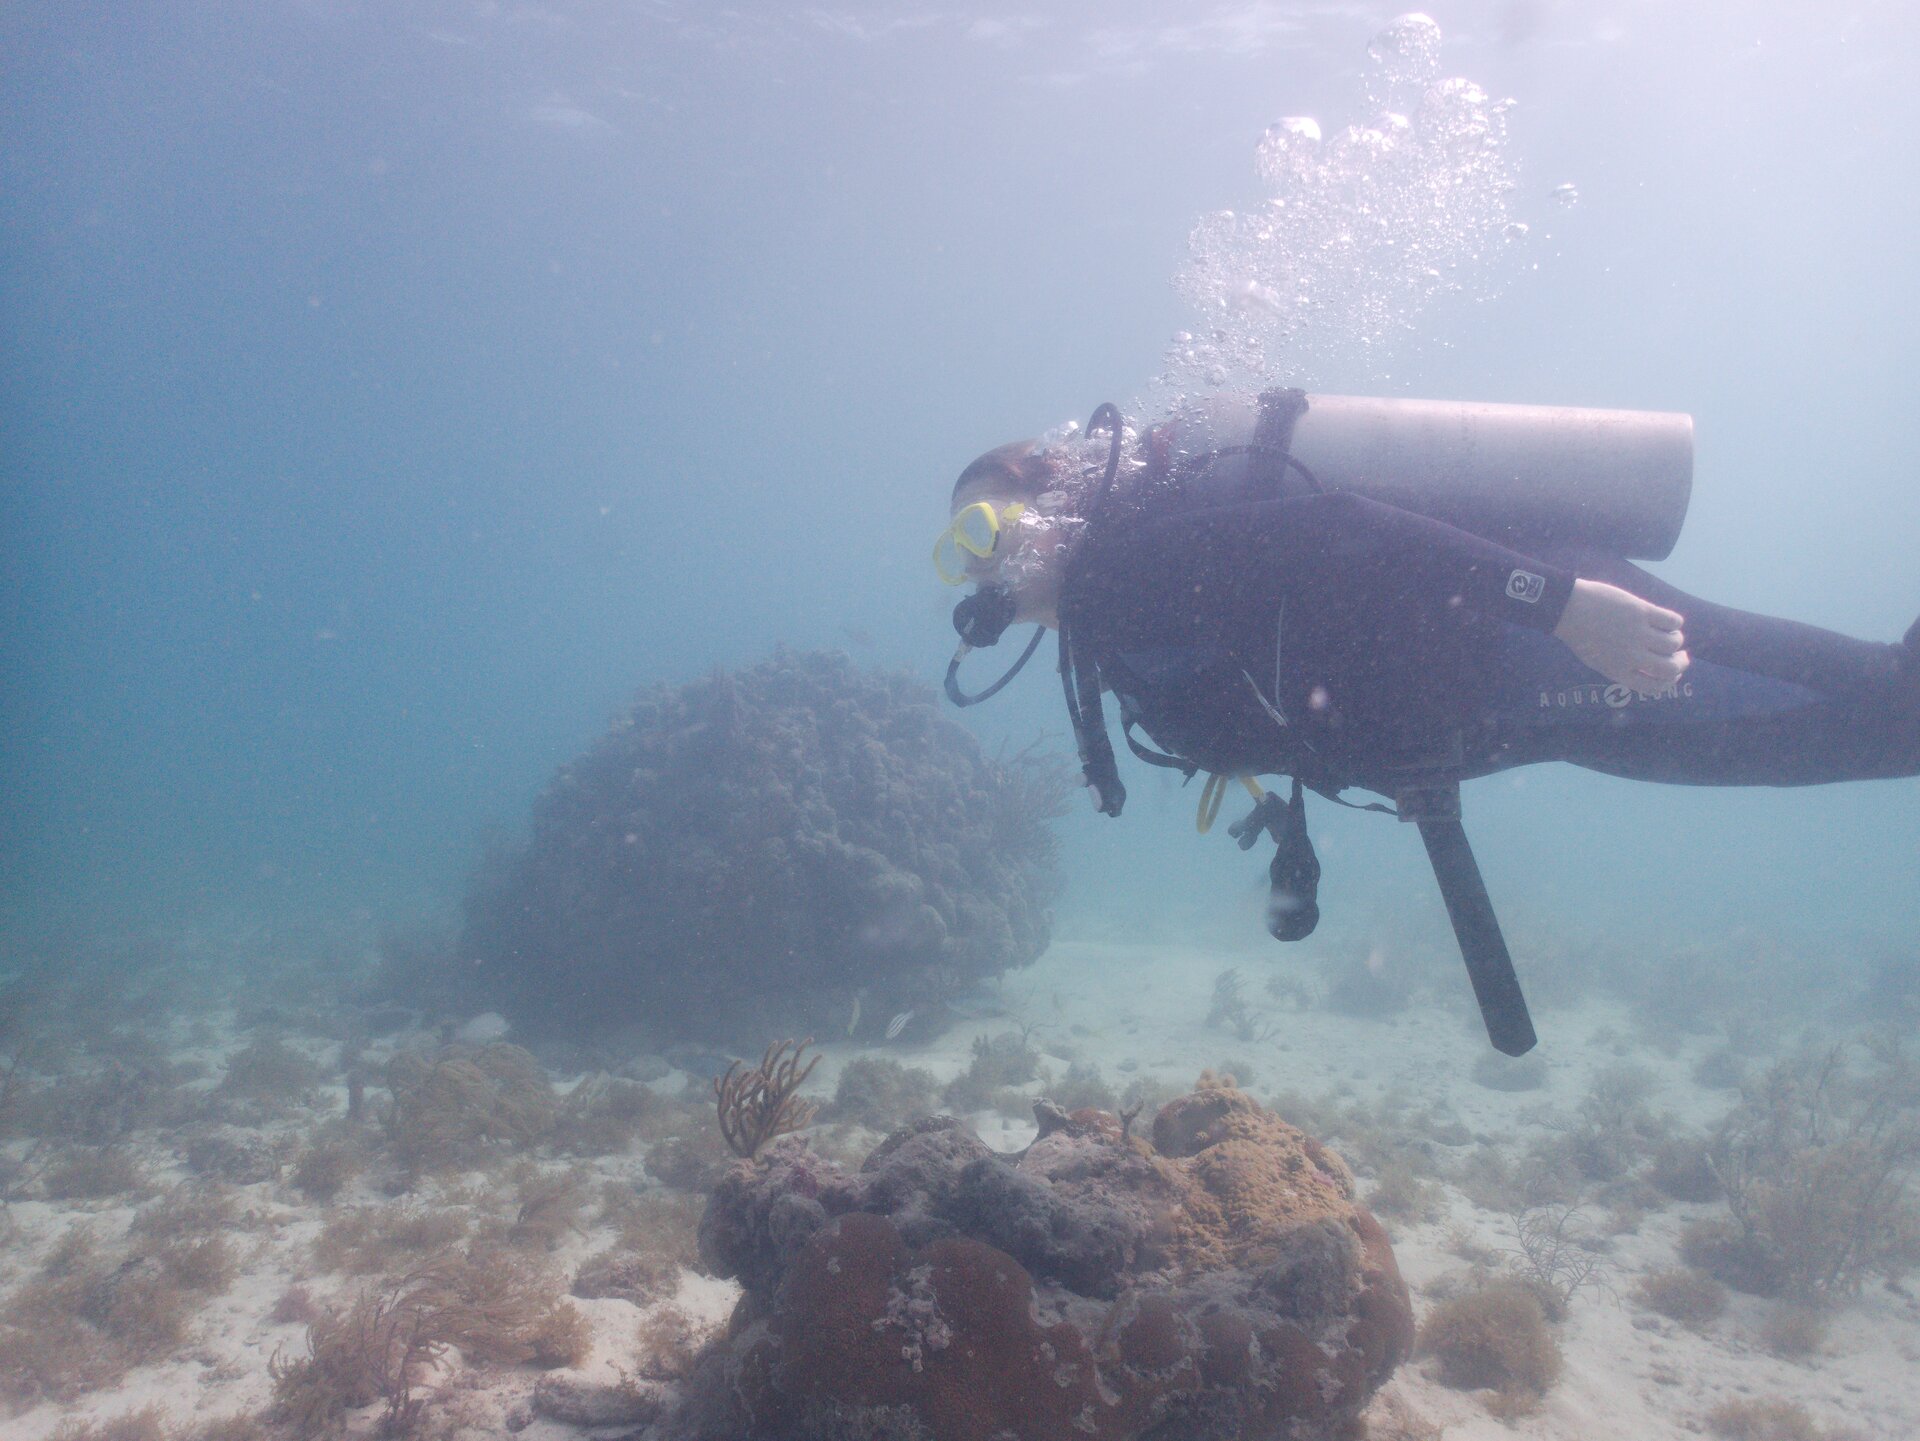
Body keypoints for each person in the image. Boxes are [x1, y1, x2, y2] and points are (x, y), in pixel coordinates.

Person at [933, 401, 1920, 1052]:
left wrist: (1568, 605)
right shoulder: (1103, 627)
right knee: (1859, 733)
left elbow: (1347, 526)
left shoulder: (1126, 567)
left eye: (986, 532)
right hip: (1509, 703)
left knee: (1881, 712)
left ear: (1051, 507)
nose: (978, 569)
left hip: (1537, 637)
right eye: (958, 551)